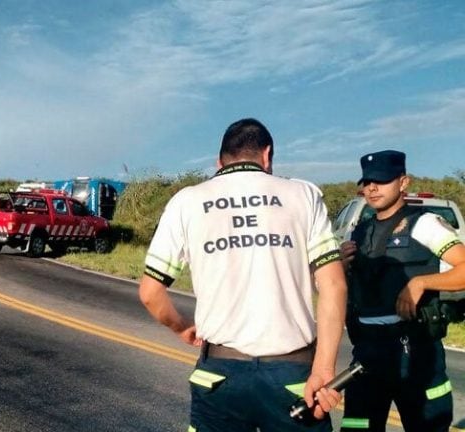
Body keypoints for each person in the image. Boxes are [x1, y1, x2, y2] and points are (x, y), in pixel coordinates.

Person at [138, 118, 347, 432]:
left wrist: (181, 328)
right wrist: (324, 368)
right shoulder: (302, 195)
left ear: (219, 162)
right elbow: (333, 284)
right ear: (267, 155)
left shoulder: (187, 201)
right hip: (292, 372)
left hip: (220, 375)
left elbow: (150, 293)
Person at [339, 150, 465, 431]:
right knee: (357, 427)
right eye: (367, 181)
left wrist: (421, 283)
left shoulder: (426, 224)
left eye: (382, 180)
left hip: (416, 352)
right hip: (367, 354)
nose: (372, 188)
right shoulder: (357, 233)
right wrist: (342, 268)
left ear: (403, 182)